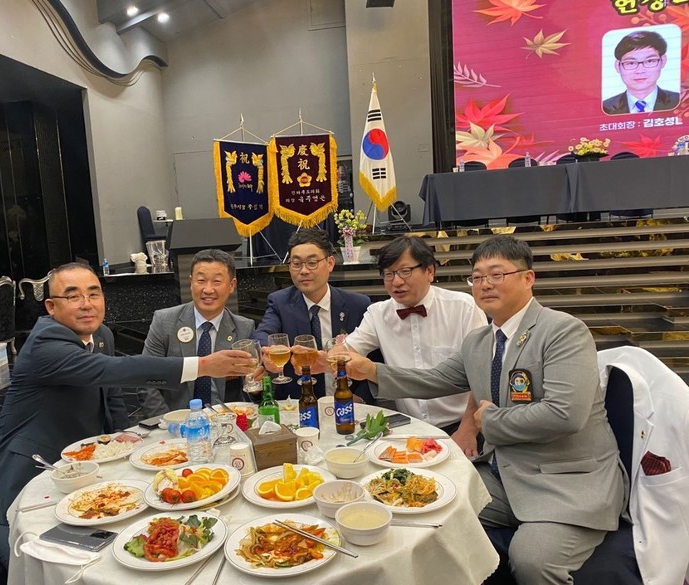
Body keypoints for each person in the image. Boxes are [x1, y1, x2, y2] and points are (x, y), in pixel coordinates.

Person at [346, 235, 625, 583]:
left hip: (566, 481)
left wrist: (488, 420)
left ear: (528, 278)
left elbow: (565, 414)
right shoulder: (479, 341)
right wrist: (371, 371)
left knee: (532, 561)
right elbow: (435, 379)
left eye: (497, 274)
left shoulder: (563, 331)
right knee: (420, 510)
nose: (485, 284)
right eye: (477, 277)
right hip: (505, 473)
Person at [0, 262, 253, 566]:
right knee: (47, 568)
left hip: (78, 481)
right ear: (51, 306)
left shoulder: (100, 335)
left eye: (94, 294)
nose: (86, 304)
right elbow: (113, 370)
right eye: (73, 296)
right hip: (14, 493)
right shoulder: (45, 345)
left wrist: (122, 441)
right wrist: (202, 366)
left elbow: (112, 394)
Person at [343, 235, 487, 451]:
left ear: (430, 271)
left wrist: (468, 430)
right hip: (408, 428)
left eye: (405, 271)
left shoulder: (464, 308)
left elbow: (482, 376)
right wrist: (326, 357)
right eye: (389, 274)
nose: (396, 282)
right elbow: (348, 350)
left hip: (460, 426)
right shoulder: (377, 313)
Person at [252, 228, 373, 400]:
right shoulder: (280, 302)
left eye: (312, 262)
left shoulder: (357, 305)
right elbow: (263, 332)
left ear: (330, 263)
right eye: (296, 264)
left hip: (348, 401)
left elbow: (374, 360)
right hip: (297, 403)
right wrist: (268, 350)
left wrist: (360, 398)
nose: (304, 271)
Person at [138, 249, 255, 416]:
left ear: (231, 285)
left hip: (225, 420)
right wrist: (168, 423)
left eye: (217, 281)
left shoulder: (244, 328)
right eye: (201, 280)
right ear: (191, 282)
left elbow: (251, 386)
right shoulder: (164, 321)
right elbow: (145, 379)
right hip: (176, 421)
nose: (208, 289)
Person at [602, 29, 679, 115]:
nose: (640, 71)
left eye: (649, 61)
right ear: (617, 66)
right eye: (631, 63)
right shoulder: (605, 108)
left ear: (663, 61)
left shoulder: (681, 102)